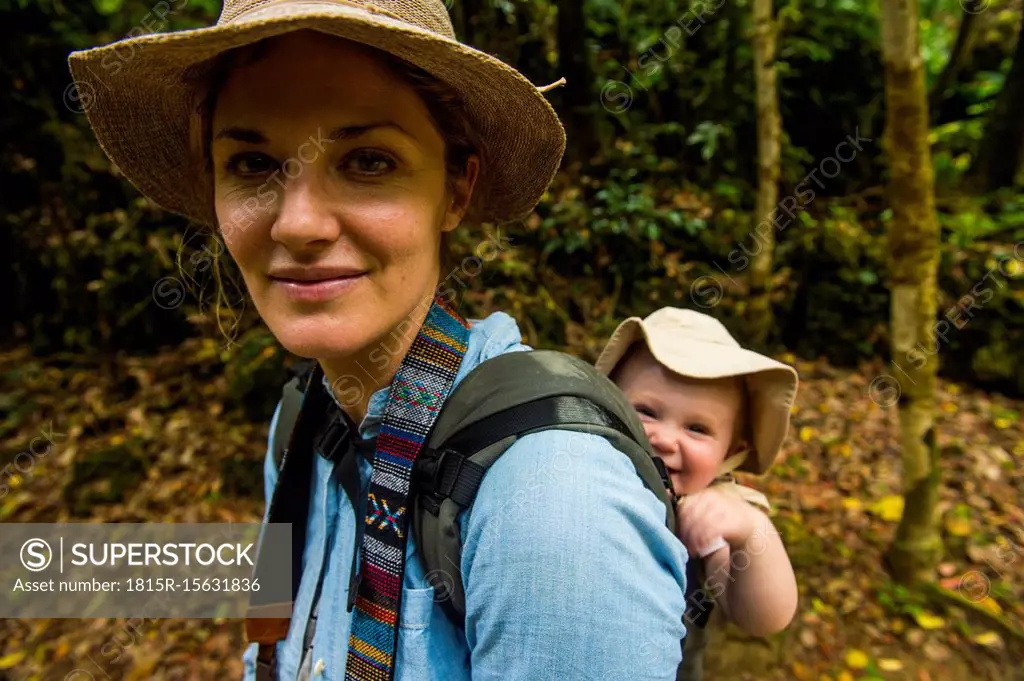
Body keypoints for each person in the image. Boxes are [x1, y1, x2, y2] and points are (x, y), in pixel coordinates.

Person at [68, 2, 690, 680]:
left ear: (457, 188)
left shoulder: (554, 505)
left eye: (368, 160)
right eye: (252, 162)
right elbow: (269, 650)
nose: (297, 223)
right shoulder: (299, 427)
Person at [595, 307, 799, 677]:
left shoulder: (708, 509)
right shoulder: (578, 469)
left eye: (698, 429)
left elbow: (763, 618)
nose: (665, 439)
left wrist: (750, 529)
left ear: (732, 453)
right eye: (646, 412)